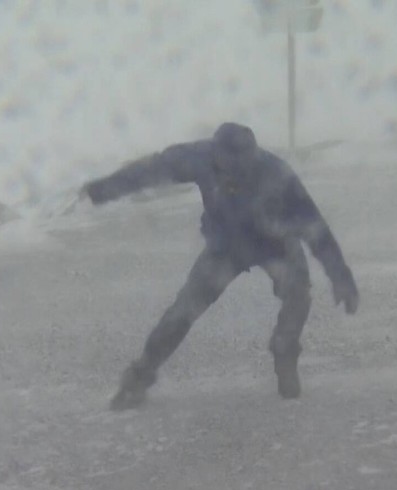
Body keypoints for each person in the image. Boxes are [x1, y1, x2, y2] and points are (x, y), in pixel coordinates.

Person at [80, 122, 359, 410]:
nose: (235, 176)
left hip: (275, 244)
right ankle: (139, 376)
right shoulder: (199, 158)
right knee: (182, 312)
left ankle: (285, 349)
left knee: (297, 292)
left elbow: (315, 227)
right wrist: (105, 189)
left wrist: (341, 278)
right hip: (227, 247)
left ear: (254, 157)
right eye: (227, 168)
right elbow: (153, 169)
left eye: (243, 168)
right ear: (216, 158)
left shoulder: (277, 173)